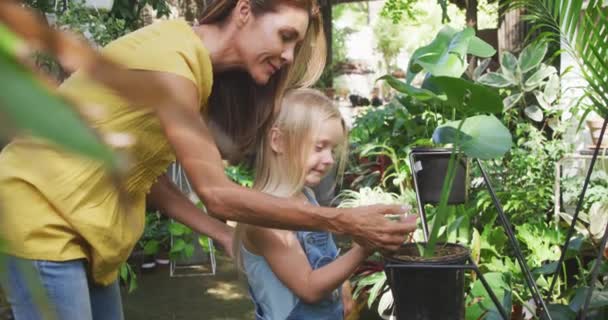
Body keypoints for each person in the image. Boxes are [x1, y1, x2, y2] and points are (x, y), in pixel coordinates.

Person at [0, 1, 415, 319]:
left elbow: (147, 175)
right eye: (286, 36)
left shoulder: (191, 70)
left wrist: (221, 234)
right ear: (244, 10)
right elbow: (216, 193)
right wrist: (344, 221)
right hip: (41, 209)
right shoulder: (173, 62)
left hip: (82, 227)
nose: (289, 56)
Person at [236, 89, 395, 319]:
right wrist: (364, 249)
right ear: (278, 141)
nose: (330, 159)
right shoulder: (263, 218)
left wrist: (344, 288)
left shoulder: (306, 197)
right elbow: (309, 288)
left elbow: (326, 257)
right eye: (319, 147)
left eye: (332, 149)